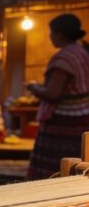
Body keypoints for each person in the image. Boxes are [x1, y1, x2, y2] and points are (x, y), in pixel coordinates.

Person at [26, 14, 89, 180]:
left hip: (63, 120)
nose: (50, 37)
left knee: (52, 169)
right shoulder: (81, 52)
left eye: (51, 33)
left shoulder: (64, 57)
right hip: (81, 116)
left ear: (60, 34)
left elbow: (53, 94)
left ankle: (44, 196)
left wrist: (33, 87)